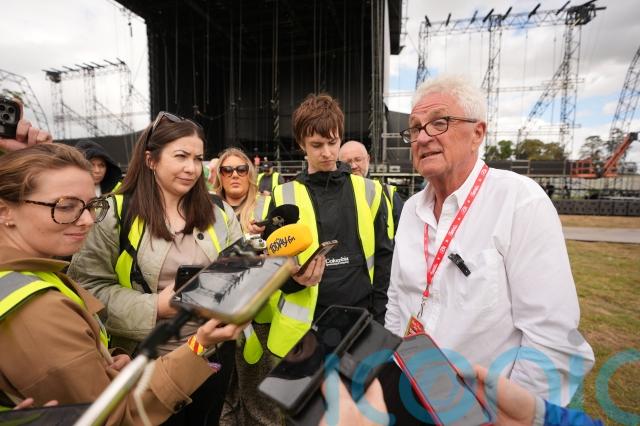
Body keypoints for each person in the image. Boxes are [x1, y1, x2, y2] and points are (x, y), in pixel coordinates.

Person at [384, 75, 594, 406]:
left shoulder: (519, 202)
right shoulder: (411, 210)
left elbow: (551, 337)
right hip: (409, 392)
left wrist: (504, 413)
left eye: (438, 123)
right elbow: (398, 301)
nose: (422, 137)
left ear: (477, 133)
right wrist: (392, 372)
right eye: (414, 128)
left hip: (479, 408)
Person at [0, 143, 244, 424]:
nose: (87, 220)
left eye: (91, 206)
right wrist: (198, 345)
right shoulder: (39, 309)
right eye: (66, 206)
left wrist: (104, 360)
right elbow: (116, 416)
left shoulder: (33, 276)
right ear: (5, 211)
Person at [68, 111, 244, 425]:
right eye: (181, 156)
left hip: (212, 357)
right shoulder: (113, 214)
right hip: (146, 364)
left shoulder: (220, 211)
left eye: (198, 158)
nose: (191, 168)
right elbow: (86, 290)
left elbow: (240, 273)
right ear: (151, 160)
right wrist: (156, 307)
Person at [265, 93, 393, 360]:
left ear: (340, 138)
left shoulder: (370, 191)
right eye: (316, 145)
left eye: (332, 142)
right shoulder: (284, 196)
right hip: (305, 330)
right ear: (301, 144)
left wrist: (380, 321)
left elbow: (384, 260)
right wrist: (294, 282)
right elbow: (272, 266)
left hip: (362, 322)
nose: (326, 152)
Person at [338, 140, 405, 237]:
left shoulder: (388, 194)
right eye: (347, 162)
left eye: (358, 159)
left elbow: (405, 236)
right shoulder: (332, 196)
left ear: (368, 159)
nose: (353, 166)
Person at [211, 148, 270, 234]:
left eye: (242, 170)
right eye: (227, 170)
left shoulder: (268, 205)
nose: (235, 175)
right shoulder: (205, 209)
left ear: (249, 175)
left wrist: (265, 234)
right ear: (219, 177)